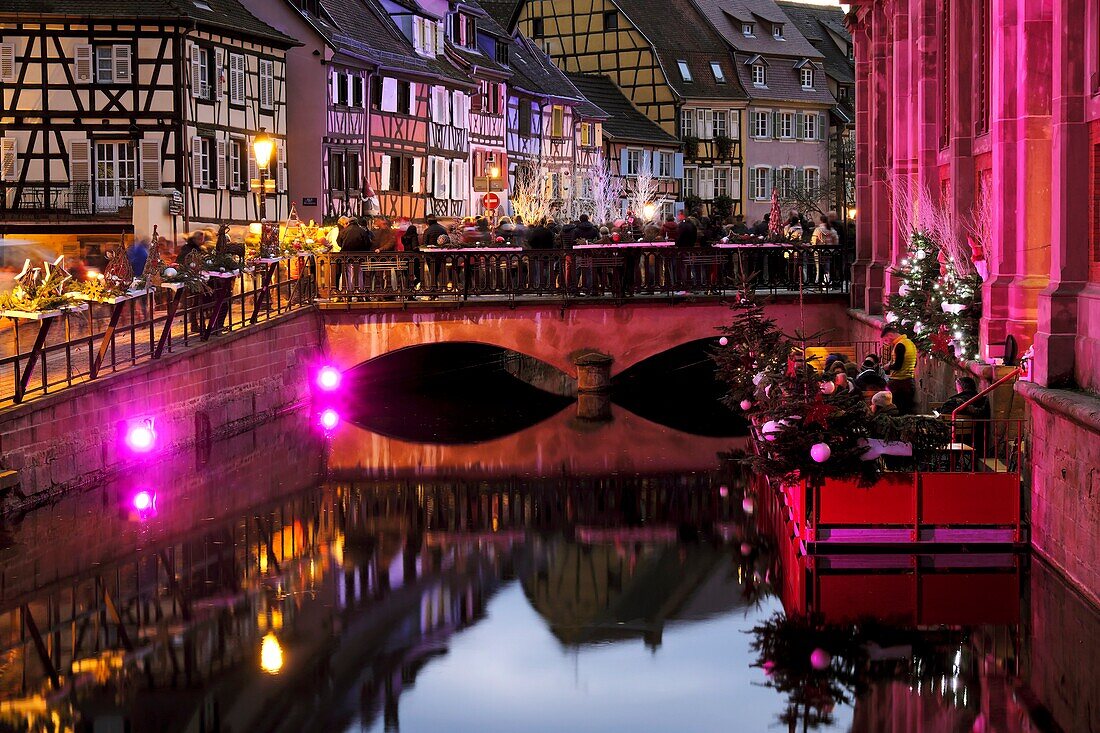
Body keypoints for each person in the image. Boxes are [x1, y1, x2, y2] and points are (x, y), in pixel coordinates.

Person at [882, 324, 918, 415]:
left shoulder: (899, 345)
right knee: (908, 410)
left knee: (898, 410)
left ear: (890, 335)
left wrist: (888, 367)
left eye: (886, 339)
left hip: (898, 384)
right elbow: (915, 363)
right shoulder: (910, 343)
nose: (887, 343)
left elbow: (898, 365)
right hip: (910, 381)